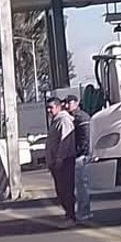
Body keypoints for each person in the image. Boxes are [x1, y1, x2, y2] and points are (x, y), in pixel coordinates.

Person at [44, 97, 76, 228]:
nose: (49, 110)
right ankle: (68, 215)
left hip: (64, 161)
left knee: (66, 190)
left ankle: (71, 217)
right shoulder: (55, 121)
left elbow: (65, 141)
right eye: (48, 108)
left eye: (51, 107)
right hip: (56, 162)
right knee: (60, 191)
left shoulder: (63, 120)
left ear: (58, 107)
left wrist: (59, 158)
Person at [64, 95, 92, 223]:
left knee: (81, 186)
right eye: (65, 103)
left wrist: (80, 151)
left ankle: (84, 212)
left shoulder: (80, 117)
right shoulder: (74, 117)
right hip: (79, 155)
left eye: (69, 102)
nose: (66, 105)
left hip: (81, 156)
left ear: (76, 103)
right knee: (79, 186)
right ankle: (82, 211)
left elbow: (85, 137)